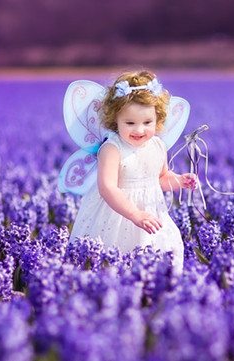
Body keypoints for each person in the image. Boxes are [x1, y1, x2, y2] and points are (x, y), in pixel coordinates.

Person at [69, 70, 196, 271]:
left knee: (157, 255)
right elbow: (107, 188)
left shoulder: (158, 146)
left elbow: (161, 178)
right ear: (115, 121)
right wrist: (134, 214)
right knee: (113, 261)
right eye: (130, 123)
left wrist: (180, 180)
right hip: (117, 216)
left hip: (151, 215)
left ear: (158, 119)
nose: (139, 130)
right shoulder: (112, 149)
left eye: (147, 123)